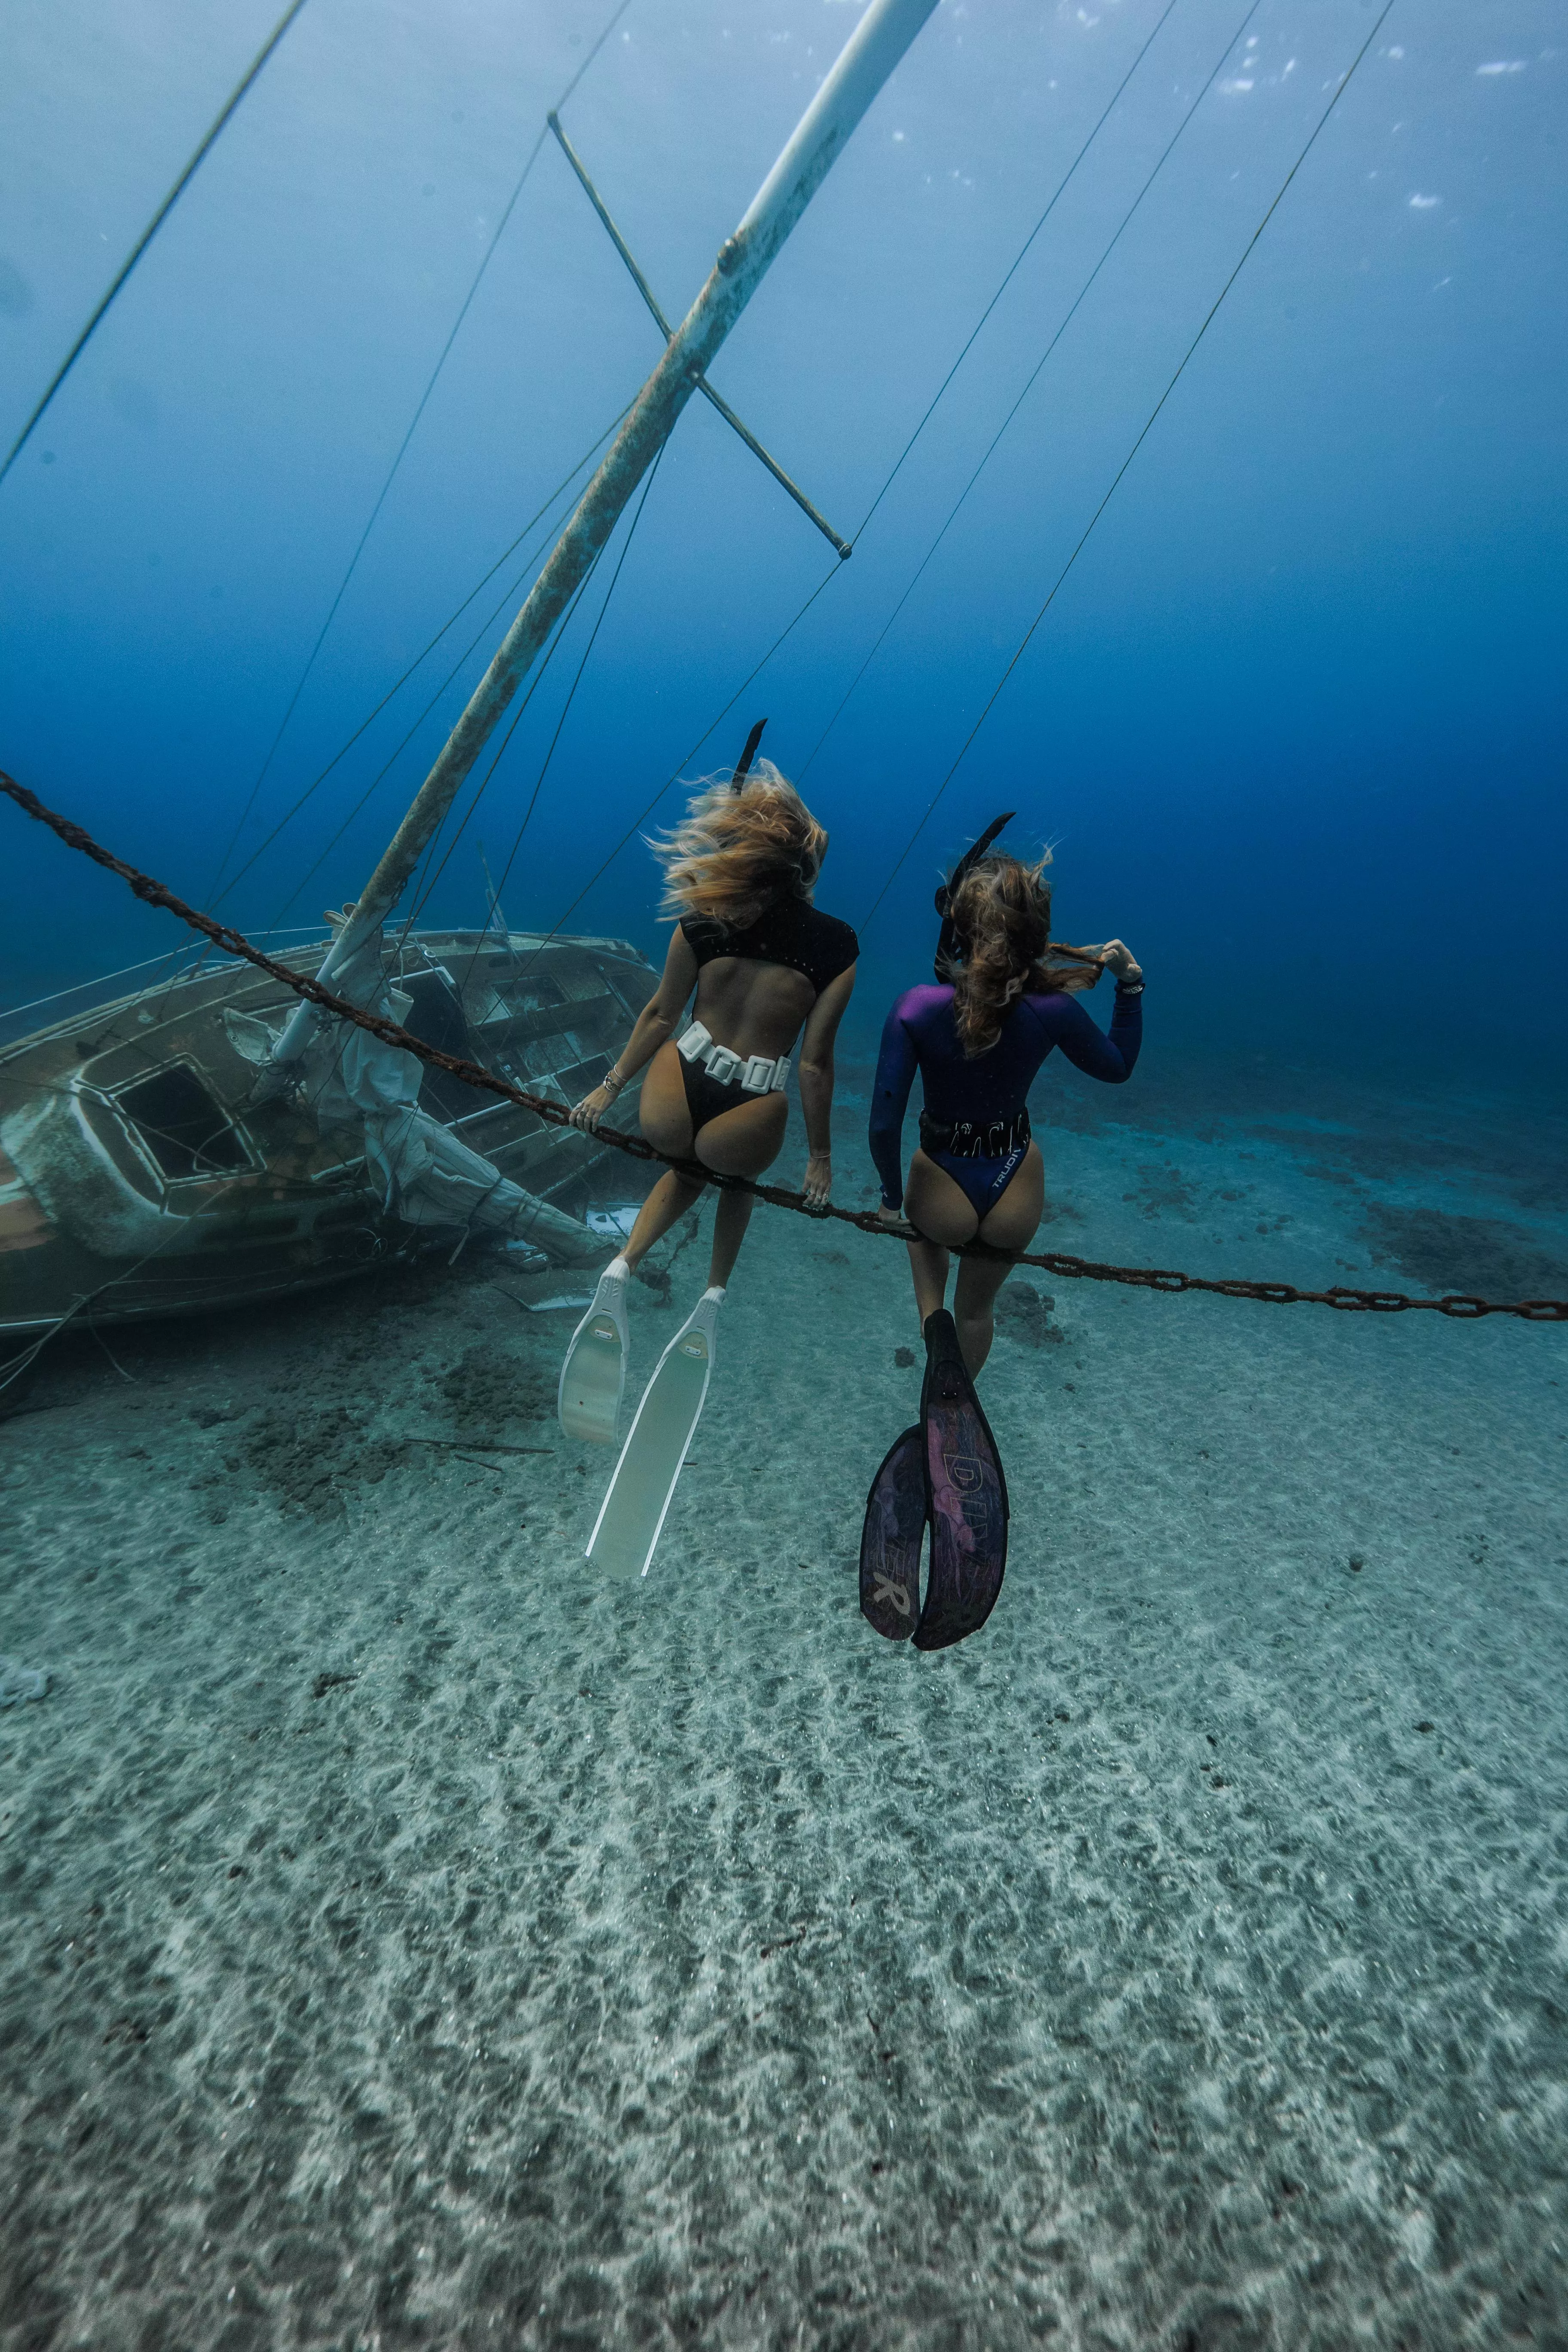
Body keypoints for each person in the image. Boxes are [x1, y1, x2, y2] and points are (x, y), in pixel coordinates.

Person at [558, 761, 857, 1446]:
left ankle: (623, 1263)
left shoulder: (703, 919)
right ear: (803, 868)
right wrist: (820, 1157)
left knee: (684, 1169)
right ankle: (714, 1293)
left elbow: (662, 1014)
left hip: (670, 1095)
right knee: (733, 1179)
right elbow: (814, 1064)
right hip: (749, 1103)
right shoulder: (837, 944)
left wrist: (609, 1088)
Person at [868, 848, 1142, 1378]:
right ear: (1035, 929)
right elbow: (1116, 1067)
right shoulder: (1054, 1009)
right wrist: (1130, 985)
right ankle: (955, 1403)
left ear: (961, 926)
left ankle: (932, 1325)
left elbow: (884, 1122)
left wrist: (889, 1199)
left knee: (929, 1249)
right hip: (1015, 1180)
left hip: (942, 1182)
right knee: (978, 1311)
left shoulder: (915, 1007)